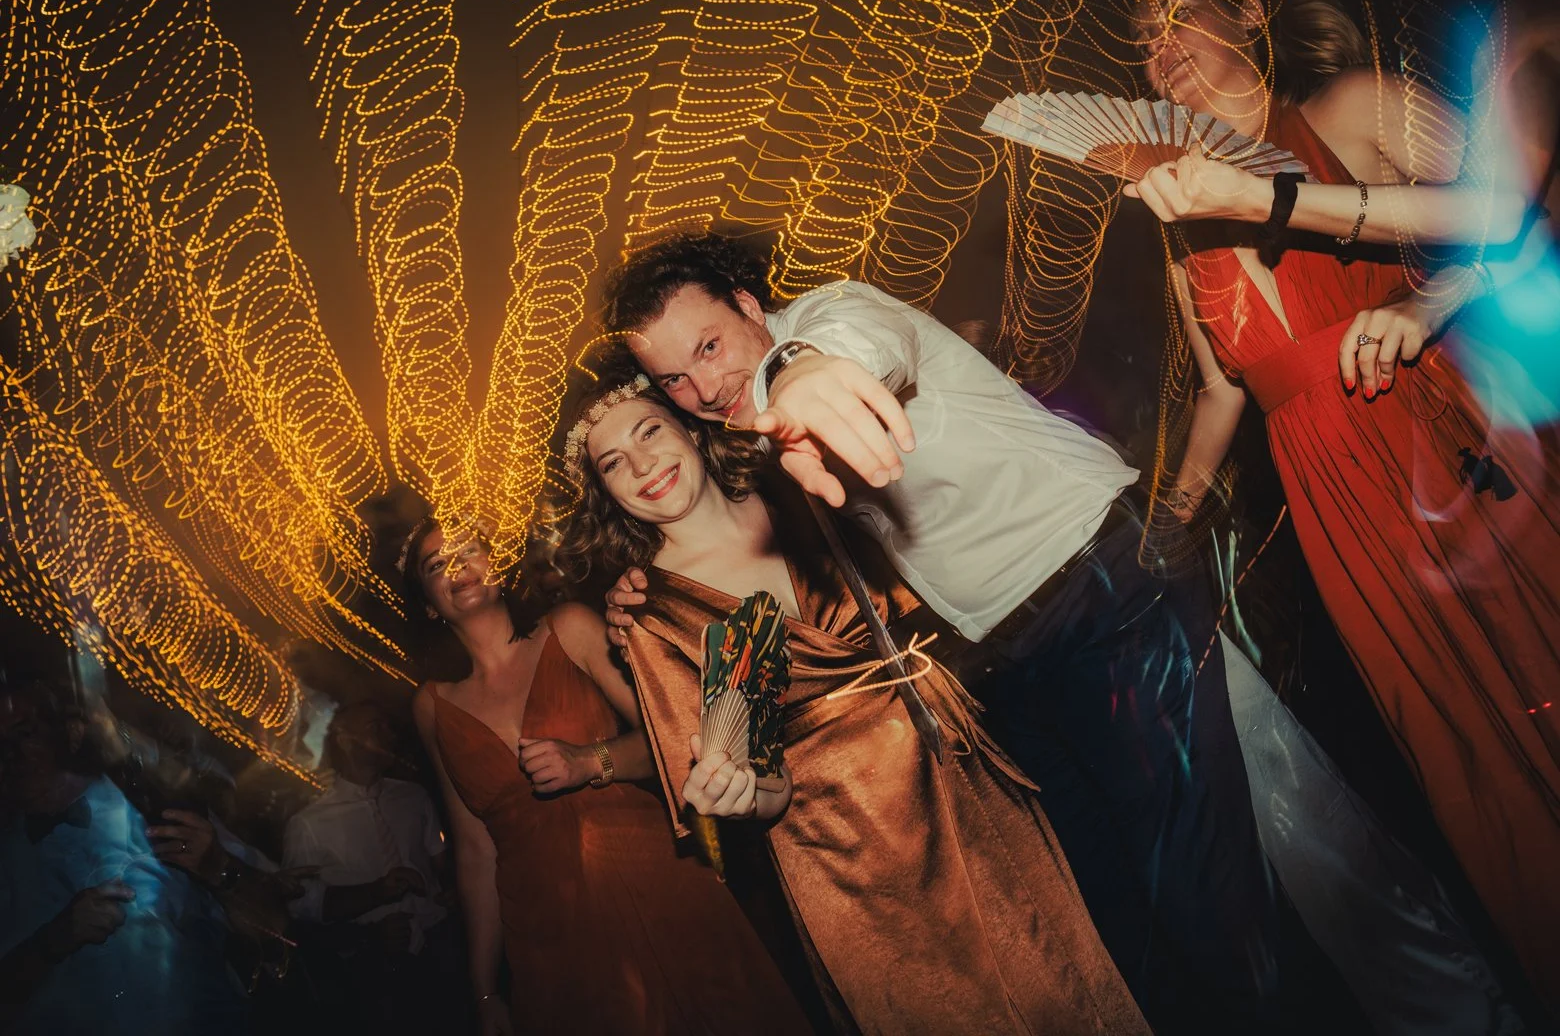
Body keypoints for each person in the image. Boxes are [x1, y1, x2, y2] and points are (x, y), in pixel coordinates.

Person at [596, 230, 1286, 1031]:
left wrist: (799, 367)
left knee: (1198, 889)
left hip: (1096, 582)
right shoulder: (753, 446)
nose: (704, 386)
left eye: (711, 346)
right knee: (1106, 910)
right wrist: (638, 583)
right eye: (673, 379)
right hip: (1002, 657)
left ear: (751, 306)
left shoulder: (832, 314)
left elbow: (857, 348)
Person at [1123, 0, 1560, 1010]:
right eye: (1141, 37)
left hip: (1437, 438)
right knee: (1461, 737)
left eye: (1180, 11)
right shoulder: (1178, 214)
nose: (1162, 45)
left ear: (1248, 10)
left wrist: (1428, 297)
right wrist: (1170, 514)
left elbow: (1517, 202)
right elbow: (1230, 382)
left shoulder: (1351, 105)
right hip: (1337, 513)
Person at [557, 377, 1150, 1036]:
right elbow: (760, 783)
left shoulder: (806, 493)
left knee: (1065, 988)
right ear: (605, 492)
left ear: (691, 430)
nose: (642, 466)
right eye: (612, 463)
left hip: (958, 784)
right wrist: (739, 795)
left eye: (650, 432)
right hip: (846, 860)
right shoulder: (653, 618)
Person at [401, 516, 810, 1036]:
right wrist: (485, 989)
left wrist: (591, 760)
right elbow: (474, 849)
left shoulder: (568, 627)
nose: (457, 566)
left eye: (467, 548)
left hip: (653, 876)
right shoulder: (432, 706)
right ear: (429, 604)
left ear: (498, 561)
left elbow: (673, 740)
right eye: (436, 564)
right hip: (546, 922)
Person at [0, 676, 248, 1035]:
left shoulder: (157, 809)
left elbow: (263, 902)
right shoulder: (8, 858)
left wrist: (224, 872)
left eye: (24, 733)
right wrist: (52, 940)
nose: (9, 756)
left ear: (71, 733)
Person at [282, 701, 463, 1035]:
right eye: (376, 727)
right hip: (373, 970)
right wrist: (377, 895)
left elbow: (443, 865)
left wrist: (455, 892)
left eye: (390, 728)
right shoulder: (308, 823)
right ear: (345, 740)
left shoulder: (413, 797)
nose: (390, 735)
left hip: (440, 948)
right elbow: (302, 908)